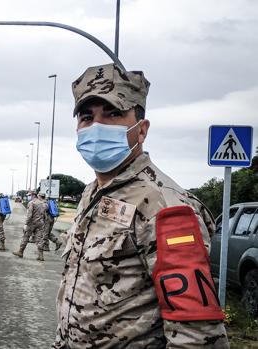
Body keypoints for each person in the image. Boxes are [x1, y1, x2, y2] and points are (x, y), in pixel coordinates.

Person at [54, 63, 229, 348]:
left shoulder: (165, 206)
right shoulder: (93, 193)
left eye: (113, 114)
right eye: (87, 117)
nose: (97, 126)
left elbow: (198, 336)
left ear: (142, 129)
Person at [13, 191, 48, 261]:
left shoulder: (32, 203)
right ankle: (41, 256)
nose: (29, 197)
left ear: (33, 195)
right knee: (39, 239)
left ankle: (20, 251)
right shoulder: (44, 204)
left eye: (29, 195)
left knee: (26, 236)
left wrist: (26, 224)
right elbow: (45, 216)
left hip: (32, 223)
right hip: (40, 223)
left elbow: (29, 215)